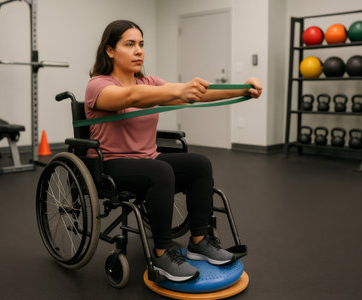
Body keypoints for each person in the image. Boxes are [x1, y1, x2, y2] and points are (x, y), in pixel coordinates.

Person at [85, 20, 262, 282]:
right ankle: (162, 253)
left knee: (199, 164)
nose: (138, 51)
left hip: (149, 160)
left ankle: (200, 241)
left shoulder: (150, 81)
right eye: (130, 44)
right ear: (110, 51)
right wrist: (178, 89)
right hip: (111, 164)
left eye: (142, 45)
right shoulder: (98, 85)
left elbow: (195, 95)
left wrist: (243, 88)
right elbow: (132, 97)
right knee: (161, 171)